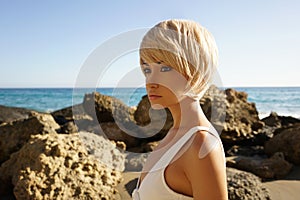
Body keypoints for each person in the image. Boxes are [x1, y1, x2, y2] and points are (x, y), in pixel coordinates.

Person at [132, 19, 228, 200]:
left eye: (164, 68)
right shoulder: (176, 134)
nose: (150, 82)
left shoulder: (201, 144)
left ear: (195, 70)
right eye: (147, 69)